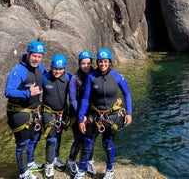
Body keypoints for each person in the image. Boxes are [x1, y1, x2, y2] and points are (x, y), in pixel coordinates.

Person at [74, 48, 133, 179]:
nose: (103, 64)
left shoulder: (117, 76)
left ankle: (110, 170)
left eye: (105, 61)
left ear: (109, 62)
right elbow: (85, 99)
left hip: (112, 116)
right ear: (97, 62)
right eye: (100, 62)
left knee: (107, 144)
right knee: (88, 143)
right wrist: (80, 119)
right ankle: (81, 171)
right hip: (95, 116)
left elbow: (127, 94)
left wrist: (129, 113)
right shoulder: (91, 77)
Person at [5, 40, 46, 179]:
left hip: (34, 111)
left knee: (35, 137)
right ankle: (23, 174)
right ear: (28, 54)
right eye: (34, 55)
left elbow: (49, 78)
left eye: (39, 56)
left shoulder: (40, 67)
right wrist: (28, 93)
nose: (37, 59)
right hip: (19, 112)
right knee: (22, 143)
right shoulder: (18, 70)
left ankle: (30, 162)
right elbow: (8, 91)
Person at [41, 54, 72, 179]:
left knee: (58, 136)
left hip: (62, 113)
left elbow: (80, 90)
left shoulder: (68, 78)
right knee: (51, 139)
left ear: (64, 68)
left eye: (60, 69)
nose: (57, 72)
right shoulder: (45, 78)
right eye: (55, 68)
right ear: (51, 67)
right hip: (48, 112)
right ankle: (48, 165)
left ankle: (56, 158)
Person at [66, 50, 95, 177]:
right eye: (83, 63)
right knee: (78, 139)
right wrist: (81, 115)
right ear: (79, 64)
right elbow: (72, 99)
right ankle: (71, 160)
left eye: (88, 63)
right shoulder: (74, 78)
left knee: (90, 139)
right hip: (77, 112)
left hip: (92, 113)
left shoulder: (96, 75)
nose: (86, 66)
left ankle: (89, 160)